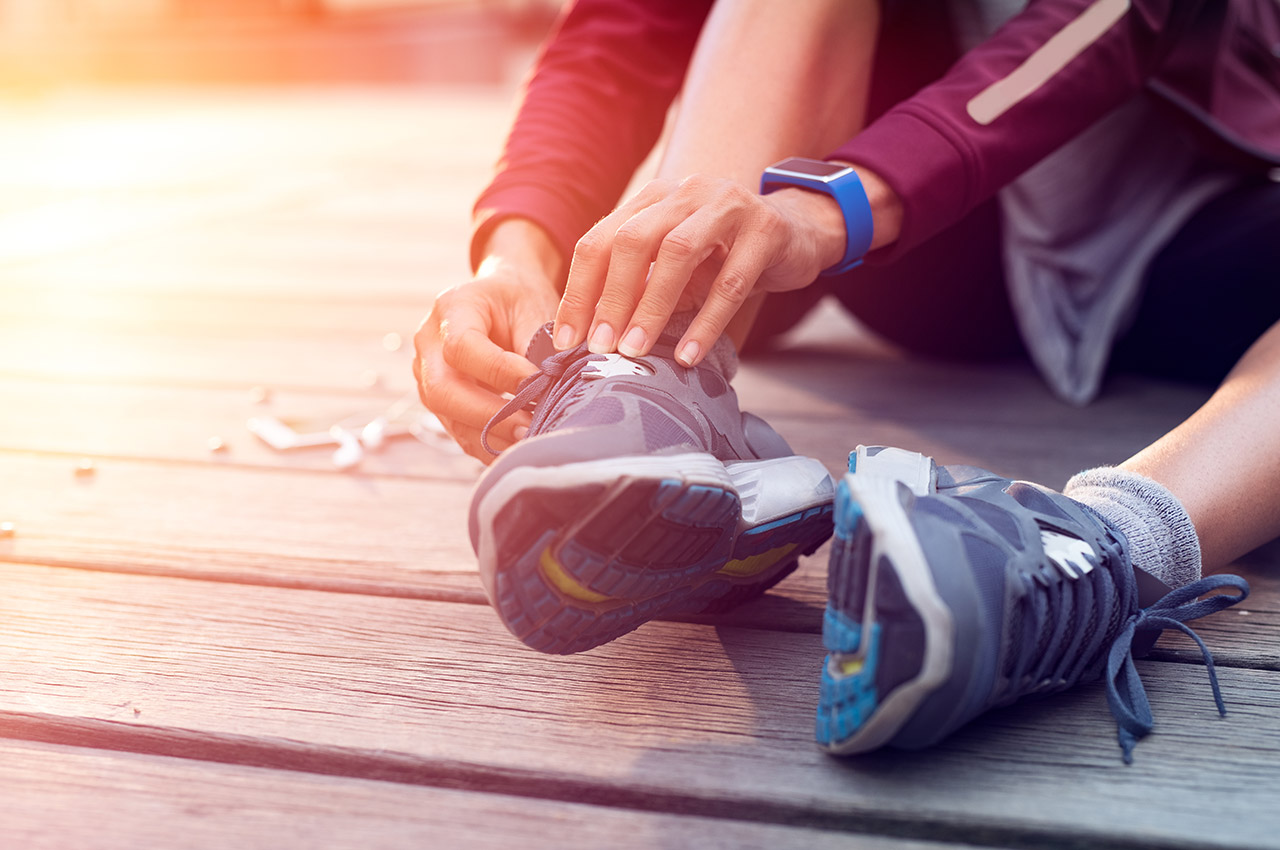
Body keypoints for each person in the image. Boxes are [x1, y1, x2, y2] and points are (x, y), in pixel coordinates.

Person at [414, 0, 1280, 761]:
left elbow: (1119, 17)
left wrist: (838, 204)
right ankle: (665, 392)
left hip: (1164, 226)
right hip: (931, 259)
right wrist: (515, 249)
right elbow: (622, 26)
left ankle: (1100, 550)